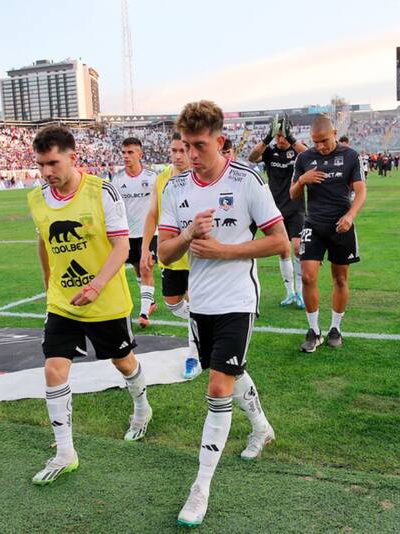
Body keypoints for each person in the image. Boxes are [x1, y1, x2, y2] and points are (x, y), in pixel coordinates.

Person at [158, 100, 287, 527]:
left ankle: (200, 488)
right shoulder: (176, 189)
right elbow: (164, 252)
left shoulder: (247, 179)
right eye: (185, 146)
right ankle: (261, 427)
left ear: (220, 140)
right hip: (201, 304)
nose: (191, 155)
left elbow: (279, 241)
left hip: (237, 300)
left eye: (199, 145)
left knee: (217, 387)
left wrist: (224, 250)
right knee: (231, 372)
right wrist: (191, 231)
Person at [27, 126, 153, 486]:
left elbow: (121, 248)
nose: (47, 172)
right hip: (63, 302)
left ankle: (142, 407)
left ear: (72, 157)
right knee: (53, 369)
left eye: (53, 163)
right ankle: (66, 451)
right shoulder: (37, 198)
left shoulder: (102, 192)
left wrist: (97, 286)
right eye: (41, 165)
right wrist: (48, 284)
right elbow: (43, 242)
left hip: (106, 301)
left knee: (123, 362)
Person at [289, 114, 366, 352]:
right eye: (315, 142)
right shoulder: (304, 158)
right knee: (308, 276)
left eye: (324, 140)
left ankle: (335, 327)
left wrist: (350, 216)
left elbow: (361, 191)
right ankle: (314, 331)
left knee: (340, 278)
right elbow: (293, 195)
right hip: (314, 224)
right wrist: (302, 180)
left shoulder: (350, 156)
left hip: (341, 226)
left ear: (334, 133)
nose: (320, 146)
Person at [141, 132, 201, 380]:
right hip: (172, 252)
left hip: (199, 253)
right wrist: (146, 247)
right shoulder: (162, 179)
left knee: (196, 301)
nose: (177, 155)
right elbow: (153, 214)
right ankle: (207, 320)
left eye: (182, 150)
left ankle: (194, 356)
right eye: (173, 150)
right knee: (173, 303)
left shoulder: (200, 176)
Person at [247, 114, 308, 308]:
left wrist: (290, 138)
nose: (279, 139)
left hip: (296, 207)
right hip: (274, 208)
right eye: (277, 136)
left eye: (283, 136)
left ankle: (300, 293)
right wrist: (267, 138)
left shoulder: (297, 151)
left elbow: (309, 156)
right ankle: (289, 293)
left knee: (298, 248)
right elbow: (252, 157)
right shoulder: (270, 151)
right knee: (282, 249)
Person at [110, 138, 159, 328]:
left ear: (140, 154)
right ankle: (150, 301)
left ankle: (144, 313)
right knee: (138, 269)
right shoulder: (118, 180)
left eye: (130, 152)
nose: (126, 156)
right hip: (127, 235)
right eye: (123, 152)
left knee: (146, 267)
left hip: (150, 233)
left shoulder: (152, 177)